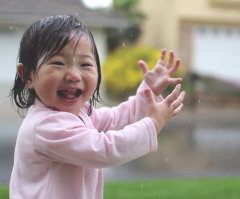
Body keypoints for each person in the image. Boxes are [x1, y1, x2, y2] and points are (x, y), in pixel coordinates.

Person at [9, 15, 185, 199]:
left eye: (85, 64)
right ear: (27, 75)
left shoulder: (81, 113)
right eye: (58, 63)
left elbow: (117, 118)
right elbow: (104, 149)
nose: (74, 75)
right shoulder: (45, 127)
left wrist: (146, 94)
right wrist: (153, 123)